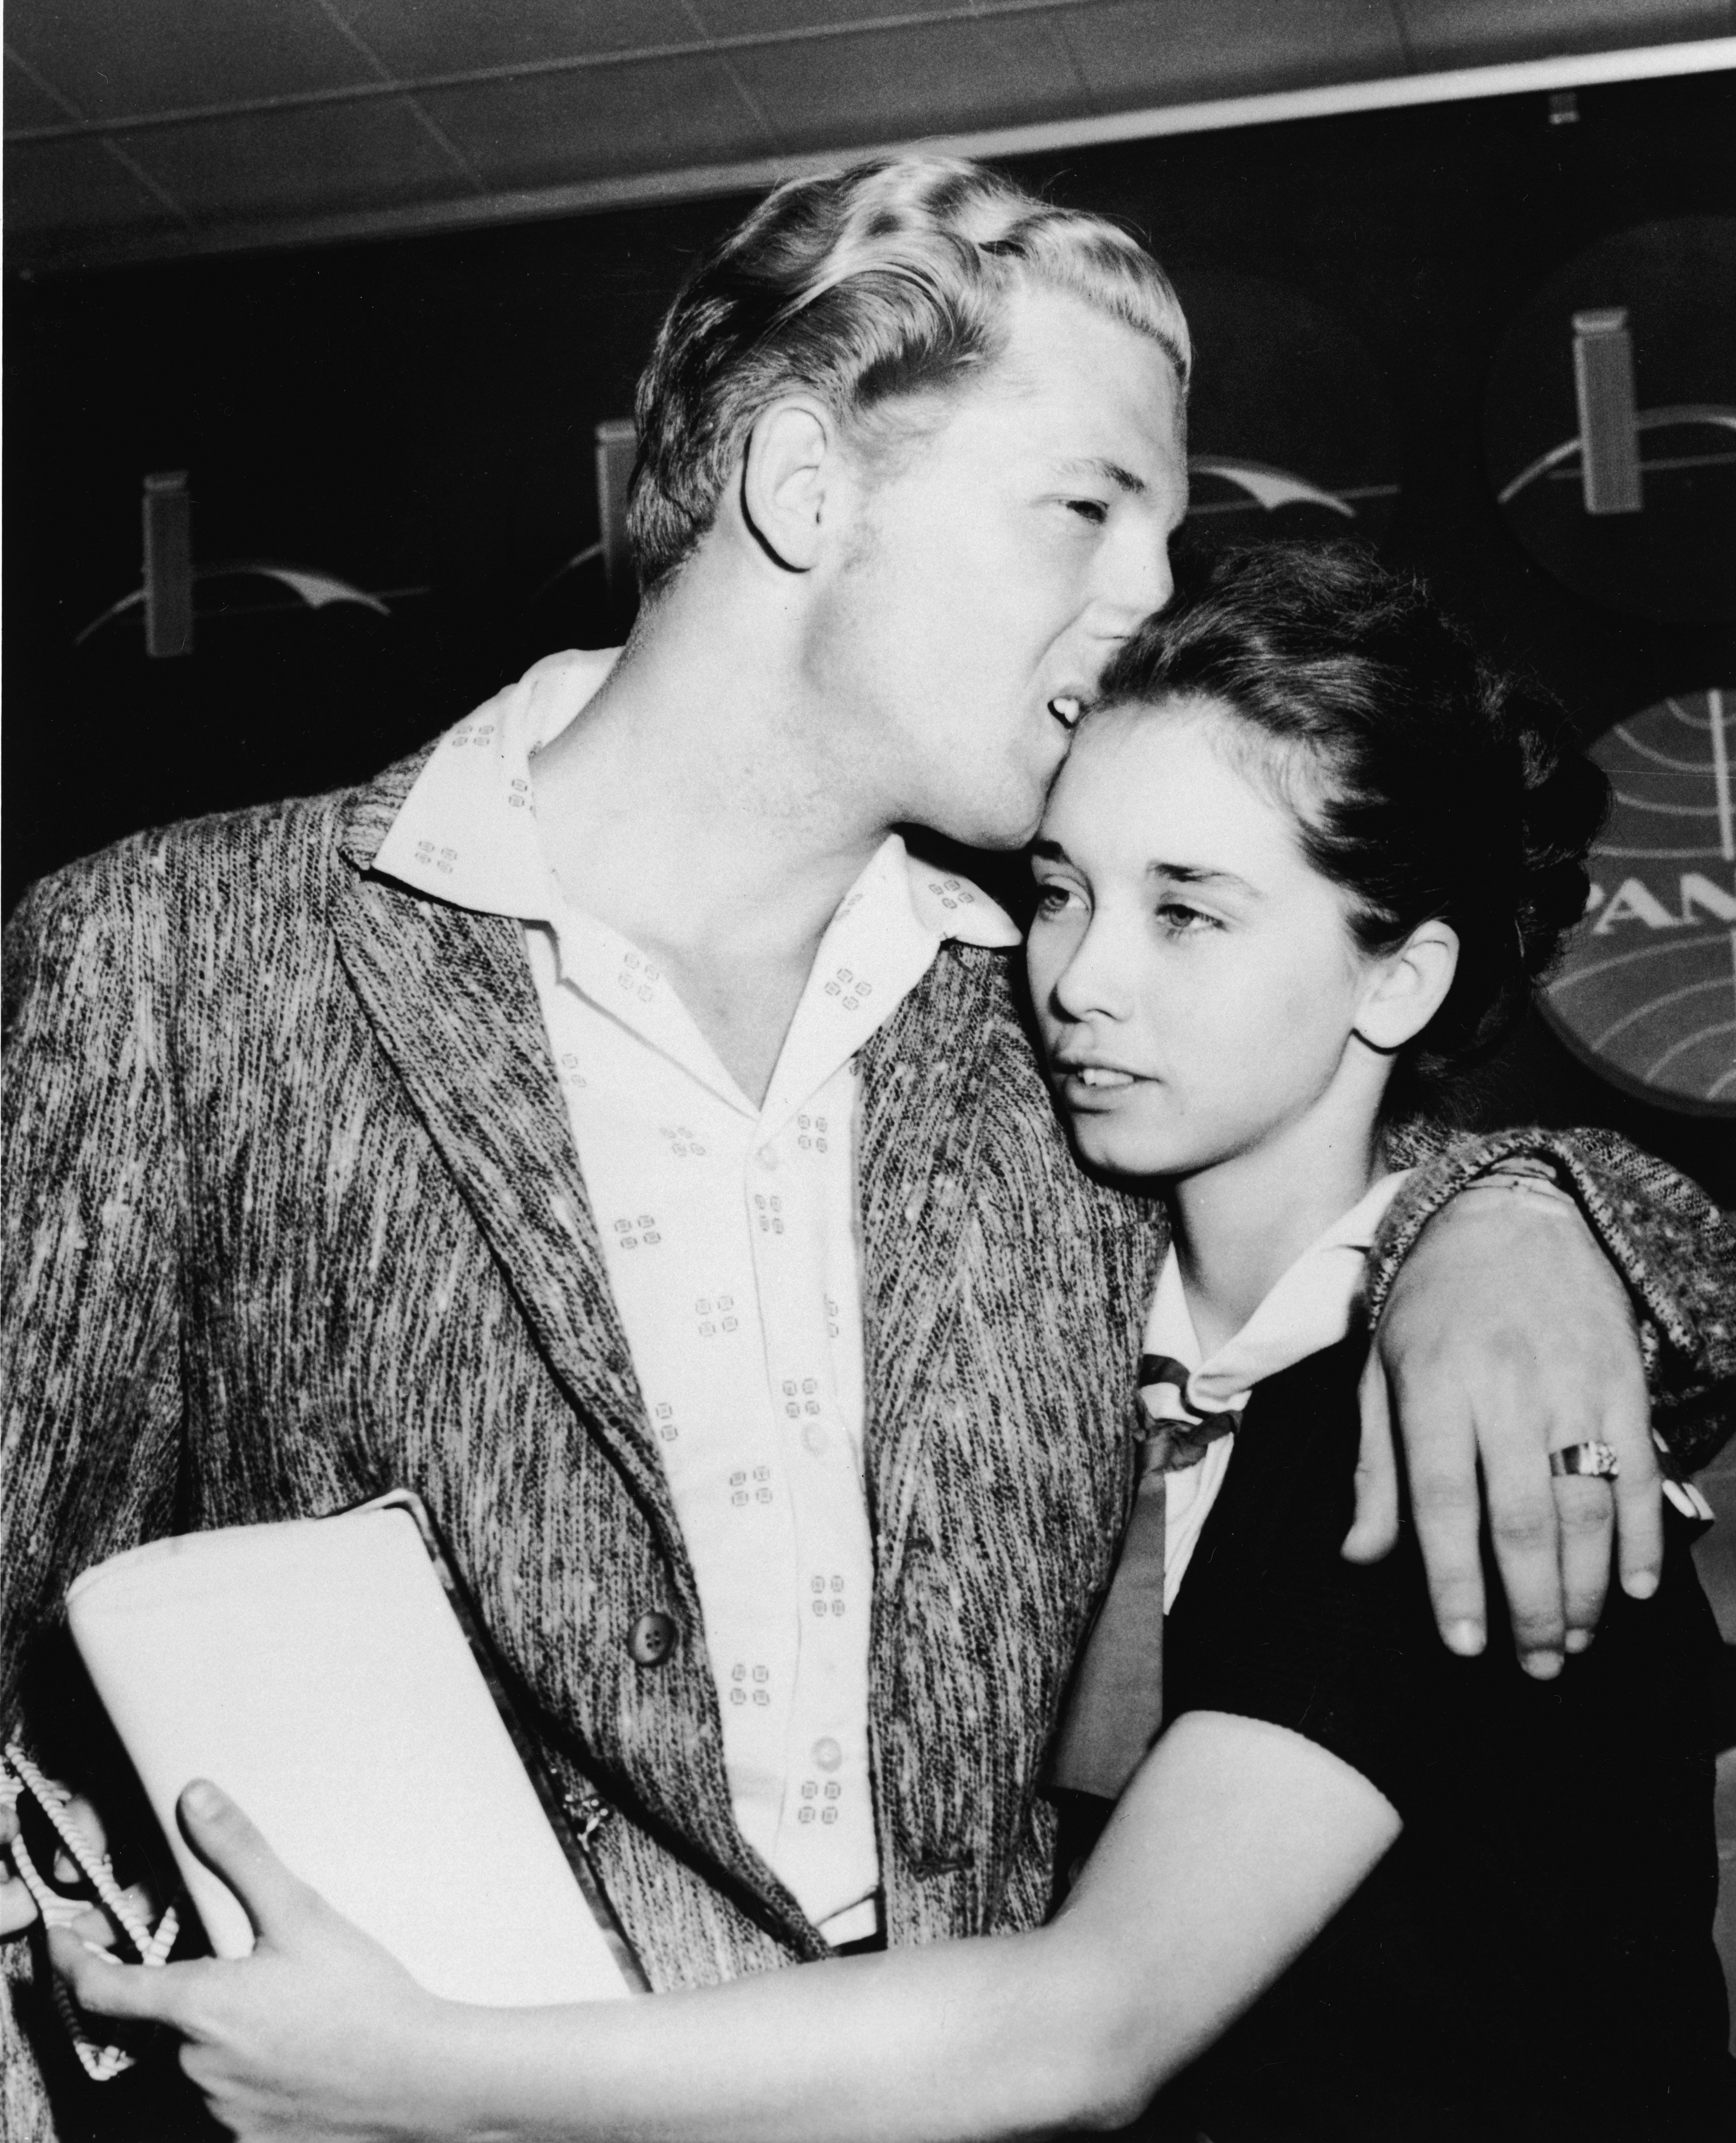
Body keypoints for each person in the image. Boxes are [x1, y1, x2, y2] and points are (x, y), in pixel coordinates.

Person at [4, 158, 1732, 2130]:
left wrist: (1524, 1217)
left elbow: (1365, 1206)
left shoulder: (1043, 1028)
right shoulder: (177, 960)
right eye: (1090, 505)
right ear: (809, 489)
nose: (1156, 596)